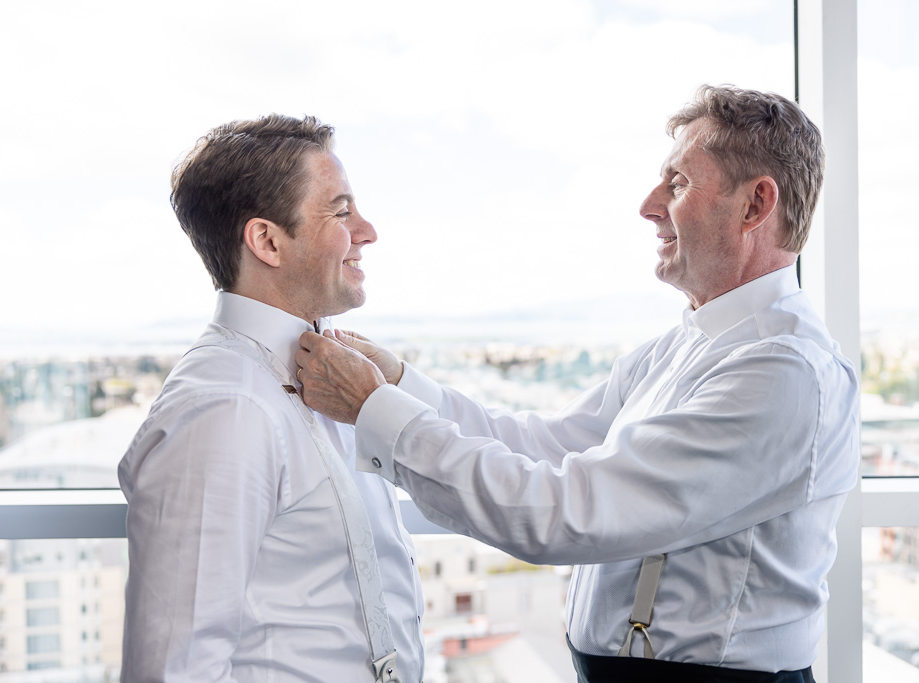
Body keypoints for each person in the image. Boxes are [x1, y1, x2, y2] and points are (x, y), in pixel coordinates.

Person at [295, 85, 860, 683]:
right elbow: (546, 443)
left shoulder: (783, 372)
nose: (648, 206)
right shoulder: (686, 345)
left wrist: (375, 410)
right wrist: (403, 386)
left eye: (677, 184)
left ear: (754, 206)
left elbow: (566, 512)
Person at [118, 115, 423, 682]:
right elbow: (174, 667)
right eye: (341, 211)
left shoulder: (330, 374)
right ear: (266, 240)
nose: (368, 231)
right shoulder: (223, 409)